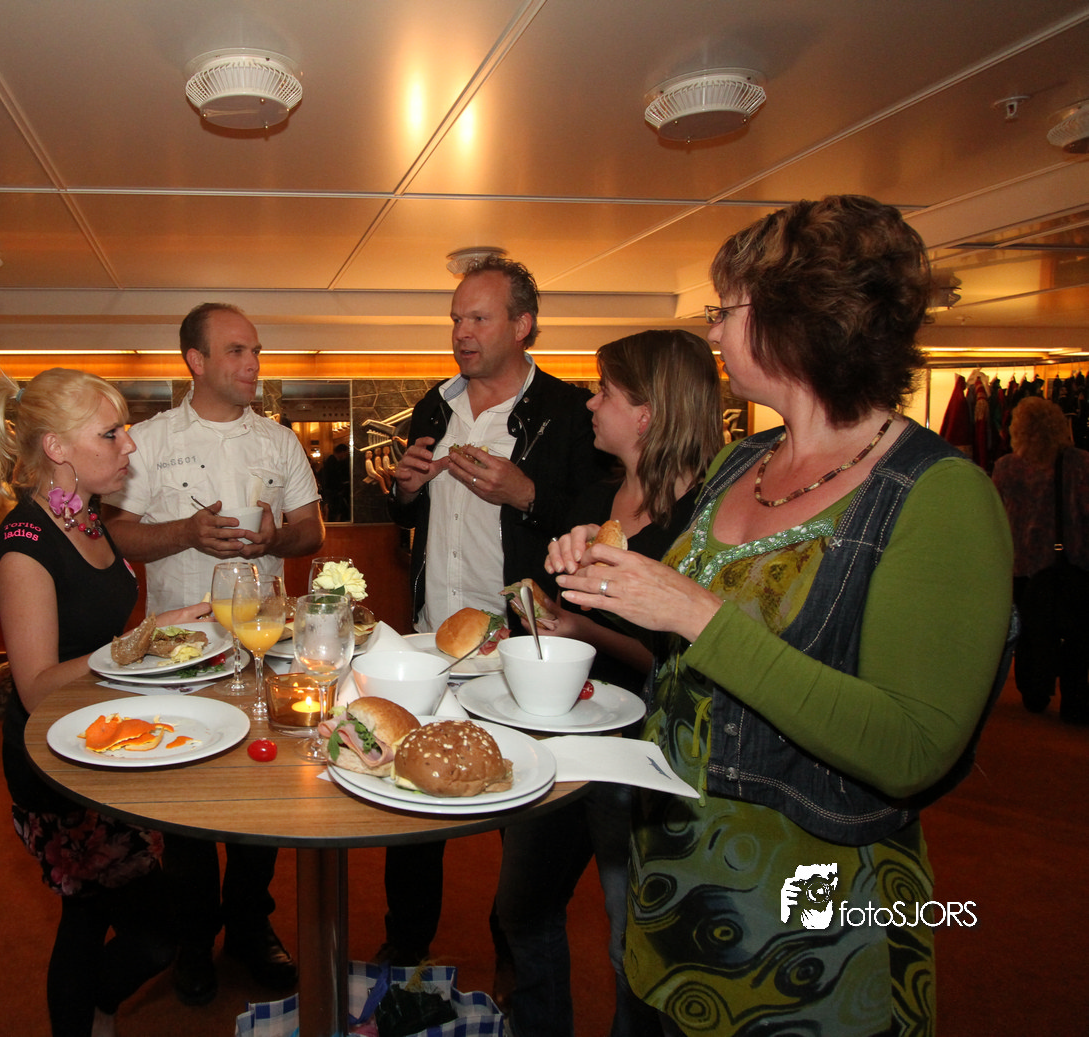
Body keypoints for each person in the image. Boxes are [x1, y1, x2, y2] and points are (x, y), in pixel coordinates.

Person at [549, 195, 1014, 1035]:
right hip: (675, 891)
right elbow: (681, 636)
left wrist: (697, 613)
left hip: (810, 926)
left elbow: (910, 748)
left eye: (723, 310)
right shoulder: (740, 462)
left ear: (796, 322)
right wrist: (607, 571)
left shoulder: (939, 495)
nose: (711, 331)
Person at [382, 255, 607, 969]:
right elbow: (410, 520)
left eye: (478, 317)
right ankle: (404, 945)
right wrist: (405, 492)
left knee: (524, 803)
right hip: (432, 639)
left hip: (520, 645)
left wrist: (526, 494)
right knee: (411, 792)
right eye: (456, 318)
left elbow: (598, 528)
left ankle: (515, 956)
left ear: (522, 324)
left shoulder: (569, 412)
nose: (461, 332)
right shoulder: (434, 405)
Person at [498, 329, 722, 1037]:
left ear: (647, 413)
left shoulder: (706, 520)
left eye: (604, 391)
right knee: (522, 909)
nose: (590, 404)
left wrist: (579, 627)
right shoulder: (595, 497)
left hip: (640, 750)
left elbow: (689, 660)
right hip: (561, 732)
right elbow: (558, 604)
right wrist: (536, 611)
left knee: (634, 940)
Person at [0, 368, 213, 1036]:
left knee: (101, 919)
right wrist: (142, 641)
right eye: (110, 433)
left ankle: (92, 1012)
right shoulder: (24, 546)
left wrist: (160, 651)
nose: (128, 445)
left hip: (104, 742)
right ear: (56, 448)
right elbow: (35, 685)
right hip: (55, 767)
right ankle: (90, 1012)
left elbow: (100, 642)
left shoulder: (85, 518)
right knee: (144, 928)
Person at [103, 302, 324, 1004]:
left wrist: (276, 539)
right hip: (183, 654)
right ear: (194, 361)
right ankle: (194, 937)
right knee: (188, 794)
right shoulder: (147, 442)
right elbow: (118, 534)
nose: (252, 363)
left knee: (265, 791)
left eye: (256, 350)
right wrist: (186, 533)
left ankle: (251, 925)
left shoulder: (279, 442)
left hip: (265, 646)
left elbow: (311, 530)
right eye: (235, 351)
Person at [992, 396, 1089, 722]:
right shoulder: (1080, 464)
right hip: (1071, 563)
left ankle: (1034, 689)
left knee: (1031, 633)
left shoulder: (1007, 468)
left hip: (1022, 567)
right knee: (1077, 634)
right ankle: (1075, 698)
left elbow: (995, 518)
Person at [320, 442, 352, 521]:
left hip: (332, 491)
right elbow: (331, 479)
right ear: (342, 452)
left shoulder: (331, 462)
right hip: (333, 492)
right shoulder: (332, 464)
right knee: (334, 511)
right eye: (345, 454)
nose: (345, 456)